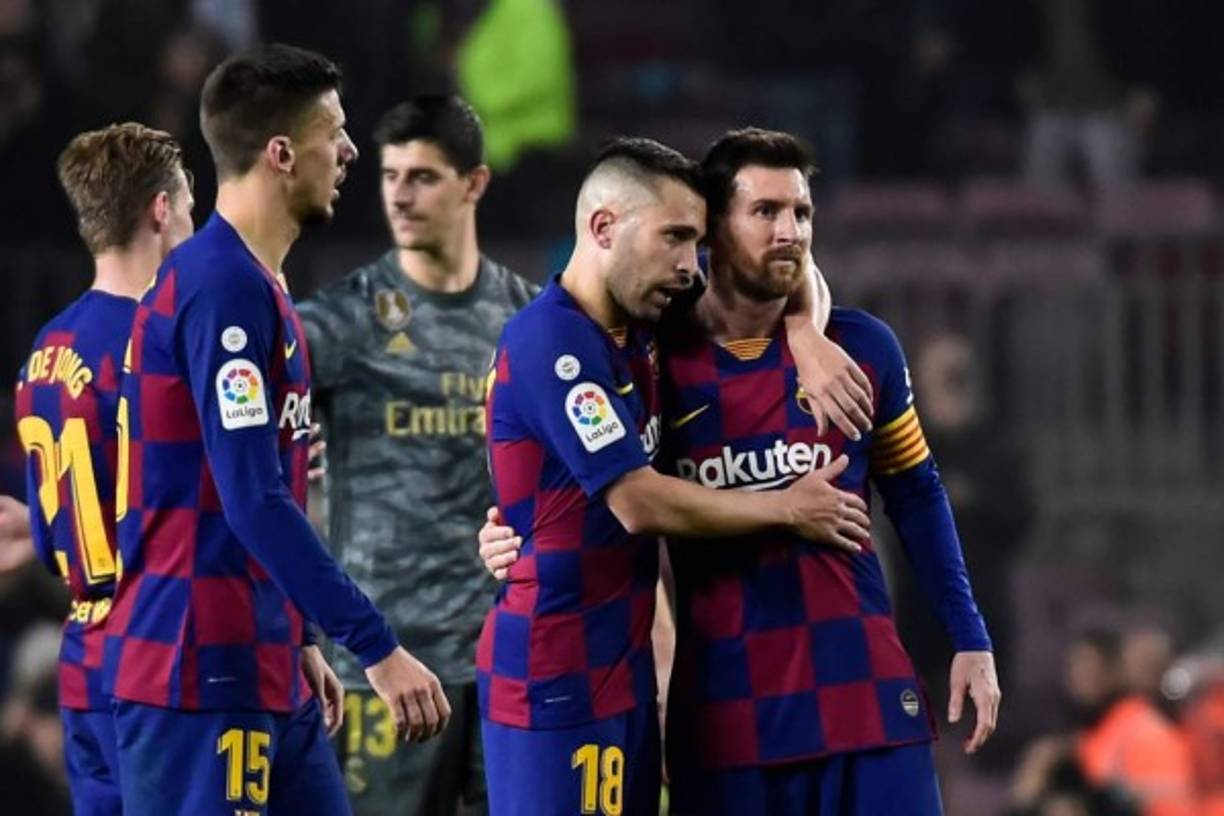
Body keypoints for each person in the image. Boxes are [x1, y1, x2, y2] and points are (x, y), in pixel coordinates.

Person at [481, 129, 1003, 814]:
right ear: (713, 233)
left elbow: (917, 493)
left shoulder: (861, 348)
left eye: (802, 213)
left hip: (866, 703)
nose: (789, 231)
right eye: (765, 213)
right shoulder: (657, 360)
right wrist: (513, 530)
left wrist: (968, 633)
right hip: (728, 721)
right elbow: (590, 477)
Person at [105, 44, 449, 816]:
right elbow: (252, 498)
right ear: (282, 152)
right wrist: (376, 647)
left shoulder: (259, 284)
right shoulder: (222, 286)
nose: (353, 150)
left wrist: (295, 637)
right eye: (337, 130)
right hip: (196, 672)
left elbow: (237, 476)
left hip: (261, 663)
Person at [298, 94, 536, 816]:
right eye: (391, 174)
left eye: (423, 176)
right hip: (386, 664)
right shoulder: (341, 318)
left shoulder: (526, 324)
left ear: (475, 184)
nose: (399, 193)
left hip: (505, 659)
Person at [10, 122, 195, 816]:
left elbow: (66, 525)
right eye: (189, 208)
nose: (193, 225)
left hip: (83, 652)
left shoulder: (44, 349)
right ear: (159, 210)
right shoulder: (156, 343)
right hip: (161, 647)